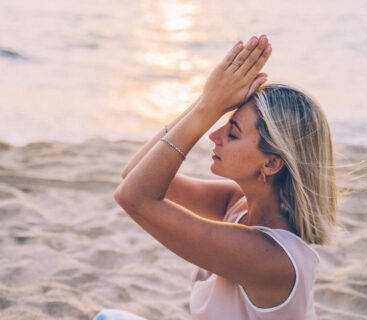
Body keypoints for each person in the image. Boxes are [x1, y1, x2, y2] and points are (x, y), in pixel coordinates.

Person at [95, 34, 338, 319]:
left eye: (233, 133)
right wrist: (208, 101)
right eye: (221, 123)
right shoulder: (237, 205)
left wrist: (207, 108)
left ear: (271, 163)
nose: (214, 134)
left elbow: (133, 197)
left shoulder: (270, 258)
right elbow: (134, 174)